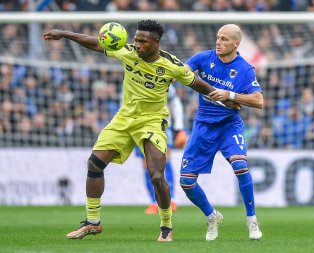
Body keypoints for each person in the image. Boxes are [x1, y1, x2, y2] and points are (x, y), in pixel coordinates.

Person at [43, 20, 238, 242]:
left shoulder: (172, 66)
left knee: (156, 175)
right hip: (124, 119)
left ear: (155, 43)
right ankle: (92, 222)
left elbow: (198, 84)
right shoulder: (127, 52)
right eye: (136, 39)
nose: (136, 44)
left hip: (152, 122)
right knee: (94, 164)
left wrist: (225, 99)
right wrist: (65, 34)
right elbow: (97, 44)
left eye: (142, 41)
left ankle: (166, 225)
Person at [179, 24, 264, 241]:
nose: (218, 42)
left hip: (229, 125)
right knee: (186, 182)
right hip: (203, 126)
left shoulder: (245, 69)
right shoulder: (203, 58)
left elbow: (258, 100)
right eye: (218, 37)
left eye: (224, 39)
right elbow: (181, 73)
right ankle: (212, 216)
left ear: (236, 43)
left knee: (240, 165)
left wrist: (231, 95)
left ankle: (252, 220)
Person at [136, 86, 186, 214]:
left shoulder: (163, 77)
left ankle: (171, 199)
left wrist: (179, 127)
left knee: (164, 162)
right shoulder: (131, 78)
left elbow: (174, 102)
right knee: (146, 165)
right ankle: (154, 201)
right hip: (138, 127)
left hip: (161, 125)